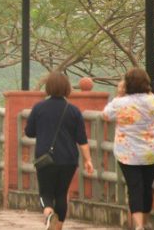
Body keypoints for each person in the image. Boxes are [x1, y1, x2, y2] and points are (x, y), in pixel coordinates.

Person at [25, 71, 95, 230]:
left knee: (45, 194)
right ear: (67, 88)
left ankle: (48, 213)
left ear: (48, 87)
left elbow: (29, 132)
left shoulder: (39, 108)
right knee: (61, 194)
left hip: (45, 158)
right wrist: (88, 160)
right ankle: (58, 227)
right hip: (69, 159)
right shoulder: (74, 110)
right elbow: (82, 139)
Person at [102, 68, 154, 230]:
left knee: (134, 187)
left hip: (127, 154)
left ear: (127, 84)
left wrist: (119, 94)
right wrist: (149, 94)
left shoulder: (119, 103)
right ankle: (145, 221)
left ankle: (138, 226)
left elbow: (106, 115)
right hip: (152, 152)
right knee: (147, 187)